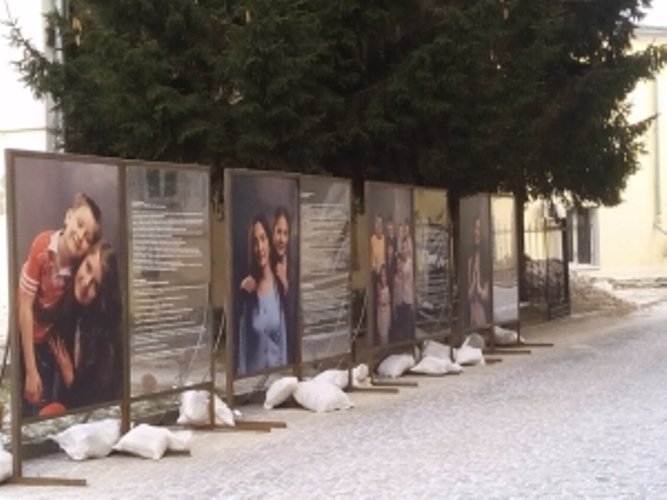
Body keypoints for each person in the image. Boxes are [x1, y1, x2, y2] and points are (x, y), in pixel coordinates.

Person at [18, 192, 102, 416]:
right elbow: (24, 308)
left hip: (50, 337)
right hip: (27, 332)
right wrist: (31, 370)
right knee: (30, 391)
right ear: (68, 217)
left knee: (46, 398)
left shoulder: (78, 268)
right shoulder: (42, 246)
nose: (80, 236)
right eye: (80, 224)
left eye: (88, 237)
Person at [47, 241, 122, 412]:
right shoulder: (67, 308)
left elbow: (99, 401)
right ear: (81, 260)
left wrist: (70, 379)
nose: (86, 283)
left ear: (102, 294)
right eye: (88, 267)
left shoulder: (104, 336)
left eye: (96, 284)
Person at [237, 215, 288, 376]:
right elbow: (242, 346)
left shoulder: (279, 285)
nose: (260, 248)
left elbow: (283, 343)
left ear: (269, 242)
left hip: (276, 380)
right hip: (253, 381)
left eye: (263, 238)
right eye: (254, 242)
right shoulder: (248, 289)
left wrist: (284, 378)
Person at [468, 215, 490, 328]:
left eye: (479, 229)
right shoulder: (471, 259)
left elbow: (486, 296)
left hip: (483, 316)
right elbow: (468, 294)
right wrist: (473, 283)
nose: (476, 232)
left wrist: (478, 287)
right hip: (473, 315)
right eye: (475, 229)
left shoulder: (487, 260)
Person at [376, 264, 391, 346]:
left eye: (385, 275)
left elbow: (389, 299)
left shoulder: (388, 286)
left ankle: (386, 346)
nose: (383, 278)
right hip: (381, 310)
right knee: (381, 329)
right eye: (382, 276)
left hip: (387, 309)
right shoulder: (378, 286)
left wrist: (387, 301)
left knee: (386, 329)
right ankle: (382, 345)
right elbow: (378, 299)